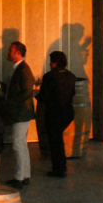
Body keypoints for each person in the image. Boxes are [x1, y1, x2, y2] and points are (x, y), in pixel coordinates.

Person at [0, 42, 37, 184]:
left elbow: (27, 91)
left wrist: (11, 103)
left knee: (18, 144)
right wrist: (1, 85)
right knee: (21, 144)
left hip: (21, 113)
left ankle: (20, 177)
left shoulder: (23, 69)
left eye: (11, 51)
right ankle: (25, 175)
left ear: (18, 53)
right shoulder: (19, 68)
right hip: (22, 112)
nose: (8, 53)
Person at [37, 49, 77, 178]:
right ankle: (62, 166)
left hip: (54, 112)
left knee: (55, 141)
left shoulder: (49, 76)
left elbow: (44, 95)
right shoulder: (71, 76)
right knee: (58, 139)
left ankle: (58, 169)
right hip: (68, 111)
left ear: (54, 63)